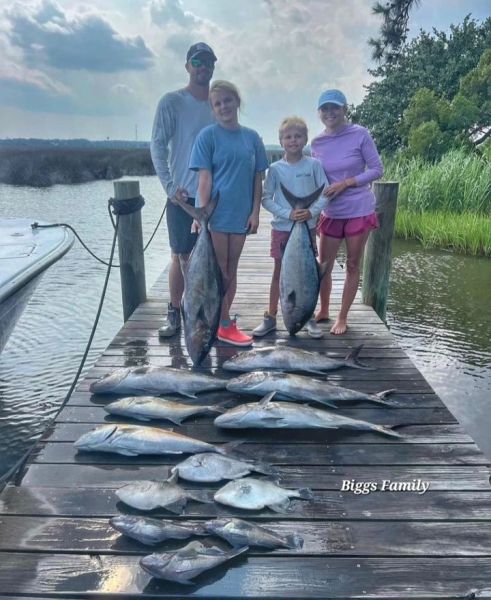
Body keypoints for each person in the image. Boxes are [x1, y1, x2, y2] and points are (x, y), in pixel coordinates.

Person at [189, 80, 269, 346]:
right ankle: (222, 324)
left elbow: (258, 178)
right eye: (217, 103)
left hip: (240, 214)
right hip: (216, 216)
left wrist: (255, 212)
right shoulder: (207, 137)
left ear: (237, 101)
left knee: (231, 271)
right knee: (218, 271)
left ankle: (219, 321)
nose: (223, 106)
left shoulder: (252, 138)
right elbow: (205, 178)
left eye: (227, 100)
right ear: (212, 109)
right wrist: (201, 215)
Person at [150, 42, 217, 338]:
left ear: (214, 66)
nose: (203, 66)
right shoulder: (171, 101)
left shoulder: (220, 103)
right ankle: (175, 311)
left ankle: (207, 311)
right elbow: (157, 146)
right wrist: (168, 187)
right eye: (197, 61)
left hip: (214, 198)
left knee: (215, 259)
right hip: (182, 197)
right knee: (180, 256)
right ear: (187, 65)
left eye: (208, 62)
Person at [311, 89, 383, 335]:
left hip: (358, 208)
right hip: (331, 211)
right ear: (319, 112)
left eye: (335, 107)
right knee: (324, 265)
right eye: (325, 109)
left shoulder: (360, 134)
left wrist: (346, 183)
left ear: (344, 109)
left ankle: (342, 317)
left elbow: (376, 169)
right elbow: (317, 179)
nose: (330, 113)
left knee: (352, 264)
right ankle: (323, 309)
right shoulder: (317, 143)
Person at [253, 116, 328, 338]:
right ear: (281, 140)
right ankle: (271, 317)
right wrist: (289, 213)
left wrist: (311, 212)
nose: (293, 140)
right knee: (279, 273)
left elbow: (326, 192)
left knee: (309, 274)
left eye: (297, 136)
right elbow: (266, 199)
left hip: (307, 228)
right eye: (288, 137)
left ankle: (309, 317)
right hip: (283, 229)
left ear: (305, 139)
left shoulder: (314, 165)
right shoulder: (275, 169)